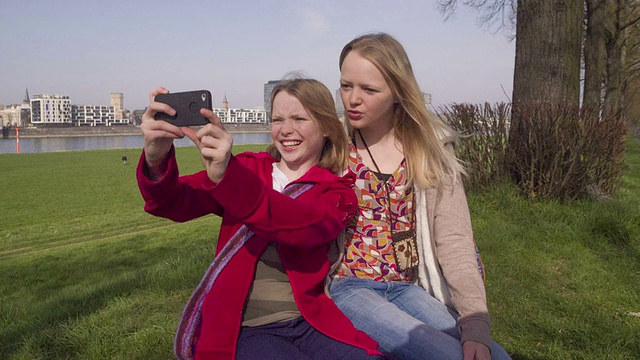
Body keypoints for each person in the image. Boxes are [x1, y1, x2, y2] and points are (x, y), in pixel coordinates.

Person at [136, 78, 383, 360]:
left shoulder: (337, 191)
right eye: (277, 119)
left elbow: (302, 225)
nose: (286, 129)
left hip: (310, 323)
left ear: (326, 126)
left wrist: (229, 180)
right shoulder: (248, 169)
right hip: (249, 328)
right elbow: (173, 203)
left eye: (299, 118)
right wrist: (157, 157)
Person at [327, 33, 511, 360]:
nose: (352, 99)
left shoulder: (431, 149)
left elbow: (454, 238)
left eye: (368, 89)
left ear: (398, 92)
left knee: (495, 356)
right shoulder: (332, 147)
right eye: (345, 85)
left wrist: (476, 324)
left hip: (409, 289)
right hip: (349, 288)